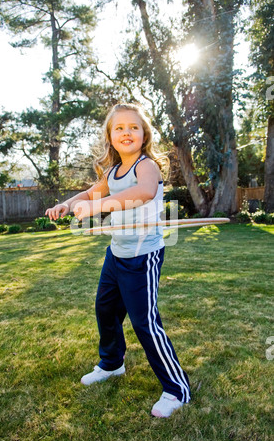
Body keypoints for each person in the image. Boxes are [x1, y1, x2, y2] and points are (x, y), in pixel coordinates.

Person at [45, 103, 191, 417]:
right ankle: (112, 365)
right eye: (119, 128)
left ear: (144, 134)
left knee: (145, 322)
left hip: (143, 256)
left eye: (133, 127)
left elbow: (144, 192)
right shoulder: (112, 173)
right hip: (117, 253)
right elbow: (88, 194)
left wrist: (103, 206)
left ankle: (177, 389)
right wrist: (67, 204)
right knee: (105, 309)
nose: (126, 132)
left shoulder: (146, 166)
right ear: (111, 137)